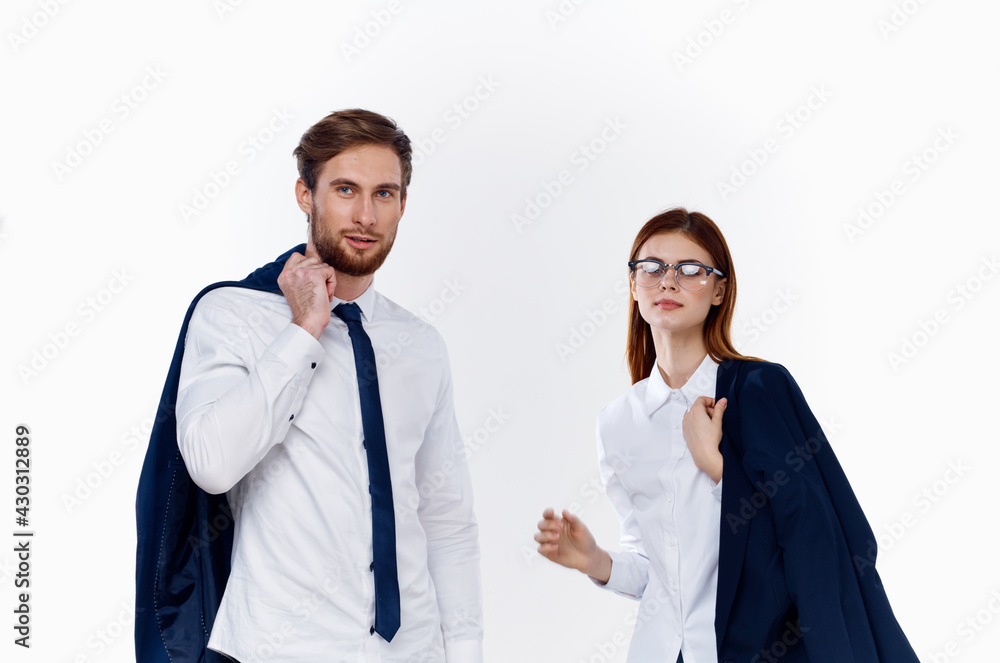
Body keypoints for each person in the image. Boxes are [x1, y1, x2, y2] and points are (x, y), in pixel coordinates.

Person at [135, 109, 483, 663]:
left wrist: (465, 652)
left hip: (414, 650)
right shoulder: (230, 314)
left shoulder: (420, 344)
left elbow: (445, 515)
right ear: (305, 194)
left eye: (384, 194)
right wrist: (303, 330)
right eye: (345, 189)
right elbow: (211, 463)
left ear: (402, 204)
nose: (366, 215)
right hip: (278, 648)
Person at [534, 208, 918, 662]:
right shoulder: (618, 423)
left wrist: (716, 466)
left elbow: (813, 535)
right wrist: (595, 561)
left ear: (719, 290)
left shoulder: (759, 389)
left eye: (690, 269)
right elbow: (661, 572)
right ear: (633, 286)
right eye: (651, 267)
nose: (668, 282)